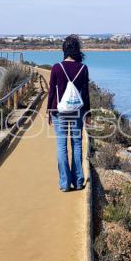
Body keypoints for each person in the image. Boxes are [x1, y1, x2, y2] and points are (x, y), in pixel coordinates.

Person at [47, 35, 90, 192]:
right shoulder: (83, 68)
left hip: (59, 112)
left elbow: (52, 91)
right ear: (77, 50)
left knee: (61, 145)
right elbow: (85, 94)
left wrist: (48, 111)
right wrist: (88, 114)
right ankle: (78, 182)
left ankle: (65, 184)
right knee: (77, 144)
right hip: (77, 111)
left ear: (64, 50)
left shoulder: (57, 67)